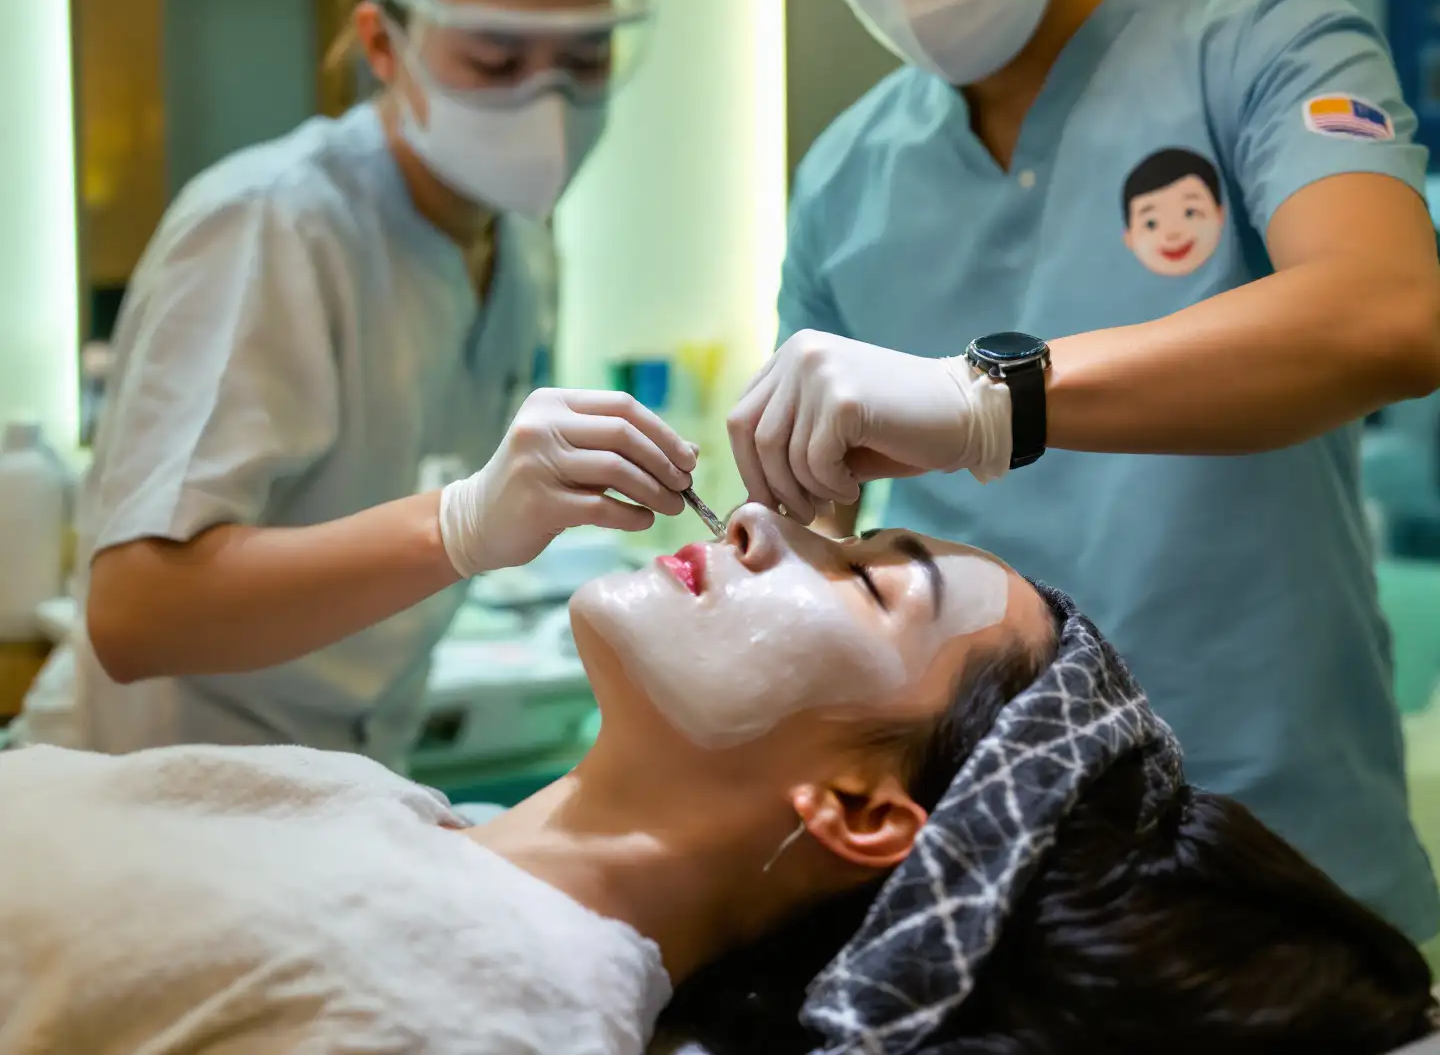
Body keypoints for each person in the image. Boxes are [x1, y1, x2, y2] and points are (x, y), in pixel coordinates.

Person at [725, 0, 1440, 943]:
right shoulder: (844, 179)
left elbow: (1388, 316)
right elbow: (820, 541)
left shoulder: (1262, 50)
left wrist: (984, 400)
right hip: (997, 869)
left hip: (1286, 848)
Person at [1, 506, 1433, 1054]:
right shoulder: (411, 826)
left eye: (866, 582)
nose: (762, 522)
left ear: (861, 812)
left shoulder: (482, 1008)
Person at [14, 0, 695, 766]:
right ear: (384, 45)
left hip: (350, 784)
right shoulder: (273, 224)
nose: (547, 103)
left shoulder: (517, 245)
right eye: (496, 60)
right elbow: (134, 613)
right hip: (154, 787)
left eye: (586, 58)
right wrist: (460, 525)